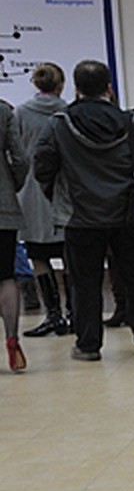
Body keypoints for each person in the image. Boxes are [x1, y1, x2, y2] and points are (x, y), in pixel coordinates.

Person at [32, 59, 134, 362]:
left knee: (84, 283)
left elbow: (42, 166)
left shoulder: (58, 125)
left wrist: (59, 196)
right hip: (130, 217)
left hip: (81, 218)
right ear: (109, 87)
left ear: (76, 89)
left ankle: (88, 345)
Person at [14, 63, 71, 338]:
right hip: (66, 192)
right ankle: (75, 314)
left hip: (31, 192)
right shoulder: (68, 112)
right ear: (60, 85)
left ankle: (53, 316)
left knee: (38, 255)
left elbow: (16, 153)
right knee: (70, 254)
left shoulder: (21, 113)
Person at [0, 96, 30, 371]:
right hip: (2, 207)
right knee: (6, 276)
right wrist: (11, 185)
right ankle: (11, 338)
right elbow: (20, 158)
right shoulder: (3, 111)